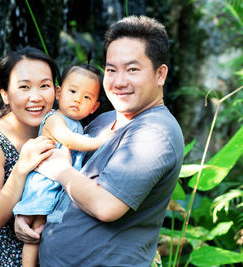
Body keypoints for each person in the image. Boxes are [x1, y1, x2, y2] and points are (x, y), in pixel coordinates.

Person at [14, 15, 185, 266]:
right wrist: (32, 212)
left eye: (133, 69)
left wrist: (59, 170)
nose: (119, 81)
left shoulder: (155, 133)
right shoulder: (104, 121)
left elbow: (106, 206)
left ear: (160, 74)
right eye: (111, 70)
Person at [13, 63, 112, 267]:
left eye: (86, 97)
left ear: (94, 107)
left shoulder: (78, 125)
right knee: (34, 230)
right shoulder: (55, 119)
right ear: (59, 92)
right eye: (73, 91)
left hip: (60, 185)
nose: (77, 99)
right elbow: (69, 140)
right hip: (44, 184)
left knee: (42, 229)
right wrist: (100, 141)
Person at [0, 47, 59, 266]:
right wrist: (22, 167)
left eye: (44, 85)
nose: (36, 97)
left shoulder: (64, 128)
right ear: (5, 95)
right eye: (24, 87)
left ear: (57, 91)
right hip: (6, 258)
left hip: (55, 251)